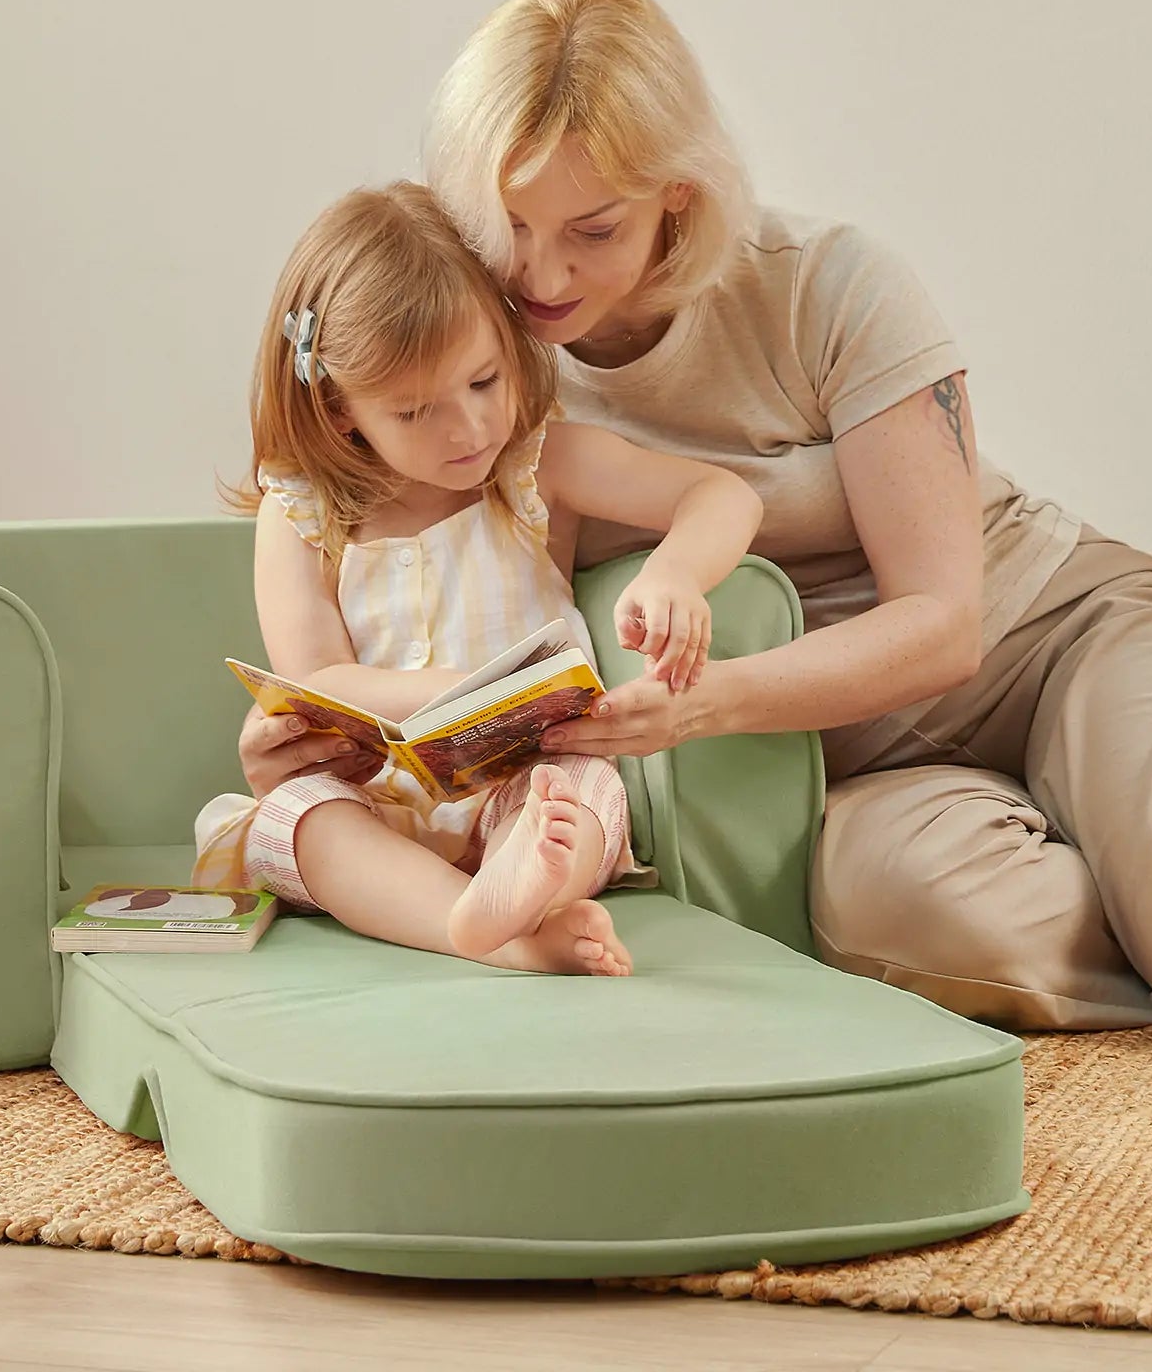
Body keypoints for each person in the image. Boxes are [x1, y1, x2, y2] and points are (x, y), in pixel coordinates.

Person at [239, 0, 1152, 1043]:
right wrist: (320, 736)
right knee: (898, 924)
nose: (541, 271)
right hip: (850, 753)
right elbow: (371, 554)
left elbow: (944, 624)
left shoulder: (829, 287)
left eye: (593, 229)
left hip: (1046, 637)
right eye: (506, 222)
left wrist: (699, 704)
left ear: (677, 194)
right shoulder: (479, 365)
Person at [195, 180, 761, 977]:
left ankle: (523, 886)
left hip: (521, 786)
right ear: (338, 410)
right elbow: (315, 676)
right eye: (415, 411)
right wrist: (470, 689)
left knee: (581, 791)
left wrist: (675, 576)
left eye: (484, 381)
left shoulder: (535, 468)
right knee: (296, 818)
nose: (468, 429)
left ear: (508, 341)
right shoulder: (301, 512)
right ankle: (486, 928)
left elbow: (721, 495)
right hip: (380, 807)